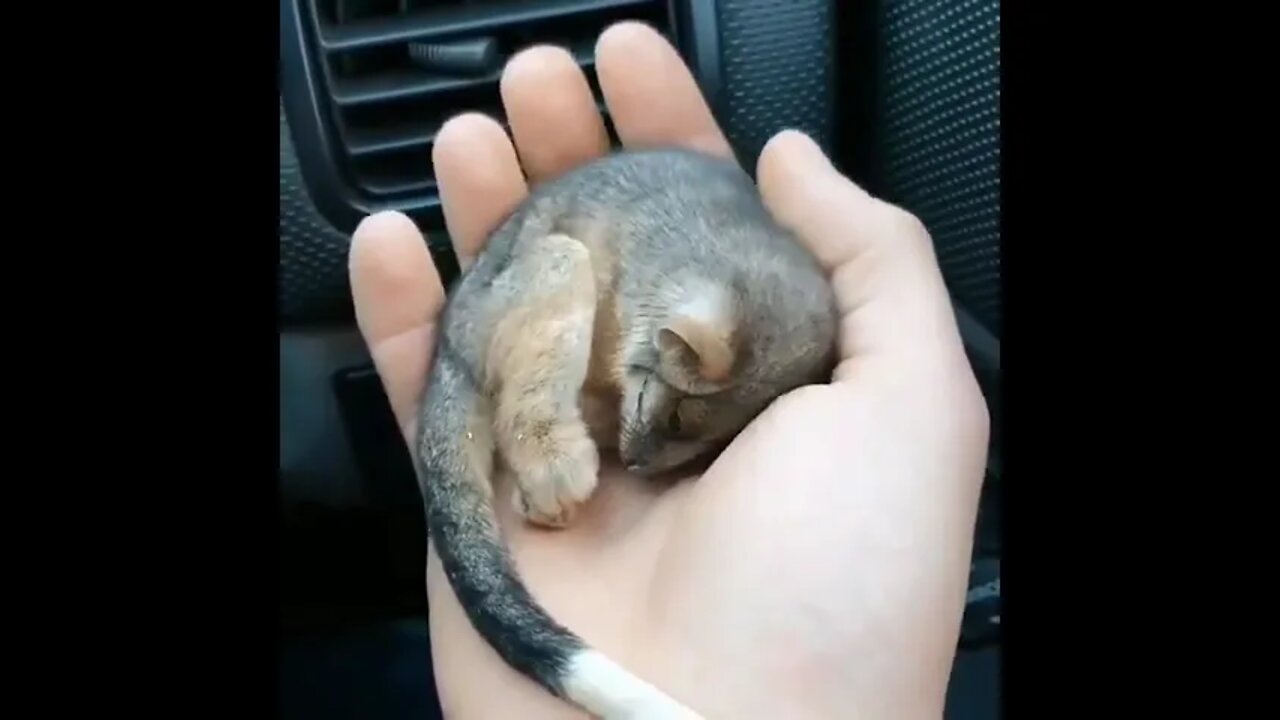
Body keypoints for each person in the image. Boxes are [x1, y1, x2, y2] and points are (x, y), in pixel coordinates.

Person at [347, 21, 989, 720]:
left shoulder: (777, 341)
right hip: (527, 300)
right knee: (562, 265)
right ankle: (535, 434)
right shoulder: (682, 316)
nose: (643, 456)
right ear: (680, 342)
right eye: (673, 421)